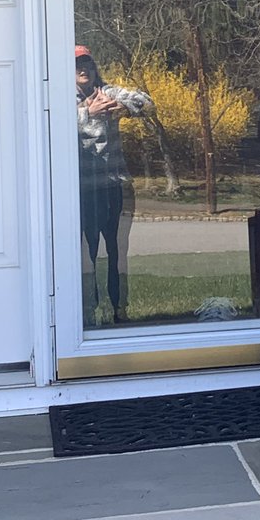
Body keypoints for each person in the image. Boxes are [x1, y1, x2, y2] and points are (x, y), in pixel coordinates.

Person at [75, 45, 153, 326]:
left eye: (87, 63)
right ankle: (87, 312)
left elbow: (147, 102)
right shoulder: (62, 100)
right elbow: (51, 126)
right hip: (83, 191)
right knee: (88, 253)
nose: (83, 69)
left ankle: (120, 309)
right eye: (76, 65)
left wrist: (124, 106)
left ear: (95, 67)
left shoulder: (108, 91)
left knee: (116, 249)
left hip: (113, 188)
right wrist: (86, 113)